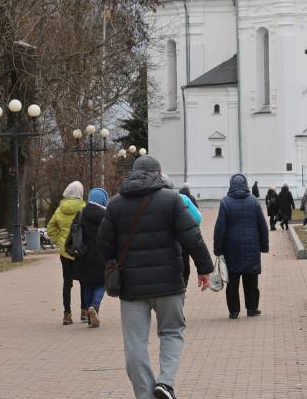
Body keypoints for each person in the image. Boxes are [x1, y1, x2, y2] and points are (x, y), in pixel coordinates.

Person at [97, 153, 213, 399]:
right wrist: (205, 268)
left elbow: (103, 246)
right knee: (171, 332)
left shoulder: (116, 204)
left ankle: (146, 395)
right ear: (158, 174)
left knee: (135, 344)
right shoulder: (171, 199)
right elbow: (192, 236)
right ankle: (166, 383)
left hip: (131, 288)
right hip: (169, 284)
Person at [213, 173, 269, 319]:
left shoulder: (225, 202)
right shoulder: (254, 201)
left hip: (231, 249)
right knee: (251, 281)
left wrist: (218, 249)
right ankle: (252, 308)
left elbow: (220, 228)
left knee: (232, 282)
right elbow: (262, 226)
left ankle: (234, 311)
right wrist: (264, 246)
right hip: (252, 247)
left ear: (231, 185)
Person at [47, 180, 85, 325]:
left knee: (67, 283)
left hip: (65, 251)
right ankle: (84, 310)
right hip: (80, 250)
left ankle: (67, 314)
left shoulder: (60, 209)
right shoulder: (83, 207)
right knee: (84, 281)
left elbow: (50, 228)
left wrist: (60, 241)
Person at [74, 187, 109, 328]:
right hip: (101, 255)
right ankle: (94, 307)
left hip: (84, 255)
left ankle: (89, 314)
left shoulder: (81, 213)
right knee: (101, 283)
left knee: (87, 284)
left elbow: (74, 231)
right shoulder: (106, 216)